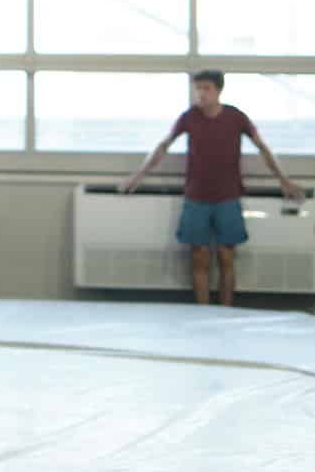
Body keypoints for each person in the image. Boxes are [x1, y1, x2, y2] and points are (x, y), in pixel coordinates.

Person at [120, 69, 305, 306]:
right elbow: (163, 146)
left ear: (218, 90)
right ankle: (202, 311)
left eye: (206, 88)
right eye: (198, 88)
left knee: (226, 257)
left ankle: (225, 311)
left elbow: (263, 148)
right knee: (199, 258)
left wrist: (284, 180)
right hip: (196, 197)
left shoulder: (236, 117)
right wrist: (137, 176)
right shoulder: (188, 117)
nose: (201, 94)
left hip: (227, 197)